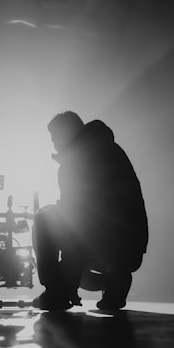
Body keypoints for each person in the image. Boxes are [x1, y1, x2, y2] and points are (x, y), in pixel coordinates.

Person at [32, 111, 148, 311]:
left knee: (43, 219)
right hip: (129, 249)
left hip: (101, 242)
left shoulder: (78, 160)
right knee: (63, 219)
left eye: (54, 138)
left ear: (65, 133)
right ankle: (114, 283)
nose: (53, 144)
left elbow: (78, 216)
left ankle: (56, 291)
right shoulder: (109, 149)